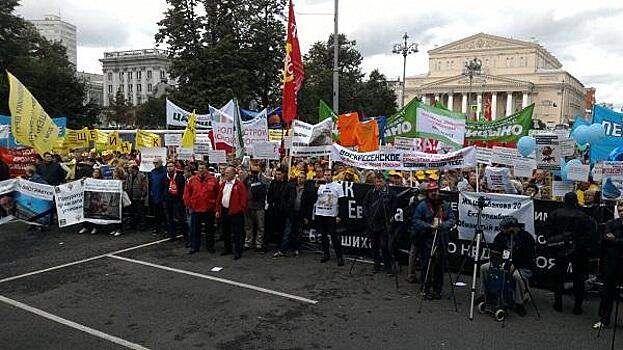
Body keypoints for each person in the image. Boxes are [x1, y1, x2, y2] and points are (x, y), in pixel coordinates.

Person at [546, 192, 594, 315]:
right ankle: (577, 307)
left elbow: (548, 233)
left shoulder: (554, 214)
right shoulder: (583, 216)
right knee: (579, 278)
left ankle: (558, 304)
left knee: (558, 277)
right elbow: (589, 235)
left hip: (559, 248)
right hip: (578, 250)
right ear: (576, 201)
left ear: (564, 200)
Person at [480, 216, 536, 316]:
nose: (504, 231)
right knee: (484, 268)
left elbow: (529, 256)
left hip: (521, 266)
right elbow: (495, 250)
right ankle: (484, 295)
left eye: (506, 228)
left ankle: (519, 303)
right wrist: (497, 261)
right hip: (502, 262)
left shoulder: (527, 238)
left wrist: (516, 264)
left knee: (517, 276)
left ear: (513, 228)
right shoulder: (501, 236)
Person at [412, 182, 455, 299]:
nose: (434, 193)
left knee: (440, 266)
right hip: (427, 239)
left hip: (441, 239)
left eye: (435, 190)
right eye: (431, 191)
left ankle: (437, 289)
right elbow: (416, 221)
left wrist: (443, 225)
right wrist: (428, 226)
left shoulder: (444, 205)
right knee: (426, 264)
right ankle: (425, 288)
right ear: (427, 193)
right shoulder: (422, 206)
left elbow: (452, 219)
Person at [593, 202, 623, 329]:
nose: (622, 212)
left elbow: (612, 240)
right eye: (620, 210)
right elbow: (606, 238)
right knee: (607, 293)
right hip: (611, 263)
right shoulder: (611, 223)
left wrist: (615, 240)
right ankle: (604, 319)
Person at [362, 173, 397, 274]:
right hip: (372, 222)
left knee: (384, 245)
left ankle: (387, 266)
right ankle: (376, 265)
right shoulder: (370, 192)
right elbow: (365, 204)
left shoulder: (390, 193)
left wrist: (390, 216)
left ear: (384, 181)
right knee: (374, 245)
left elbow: (394, 207)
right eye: (377, 181)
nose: (378, 183)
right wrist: (367, 216)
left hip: (384, 224)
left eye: (380, 181)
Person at [183, 163, 219, 254]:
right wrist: (189, 205)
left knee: (209, 230)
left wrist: (216, 207)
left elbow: (217, 194)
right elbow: (187, 193)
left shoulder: (213, 180)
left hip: (209, 209)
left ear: (206, 169)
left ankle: (210, 246)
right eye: (199, 168)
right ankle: (195, 247)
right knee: (195, 230)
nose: (201, 170)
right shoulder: (192, 180)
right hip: (196, 209)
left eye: (203, 168)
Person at [314, 168, 345, 266]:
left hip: (332, 215)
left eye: (328, 175)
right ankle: (326, 254)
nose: (327, 177)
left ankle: (339, 257)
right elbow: (316, 198)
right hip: (321, 214)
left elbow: (342, 202)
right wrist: (315, 188)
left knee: (334, 237)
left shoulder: (338, 186)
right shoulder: (321, 186)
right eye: (325, 175)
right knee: (323, 236)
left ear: (332, 176)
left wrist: (340, 215)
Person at [216, 166, 248, 260]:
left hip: (236, 212)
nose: (225, 174)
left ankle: (238, 251)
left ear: (234, 174)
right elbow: (219, 197)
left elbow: (243, 199)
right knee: (226, 231)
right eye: (225, 173)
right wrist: (218, 210)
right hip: (225, 211)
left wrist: (240, 209)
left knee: (237, 233)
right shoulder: (223, 184)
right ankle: (227, 248)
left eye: (228, 173)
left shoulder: (239, 185)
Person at [274, 172, 307, 257]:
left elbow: (308, 203)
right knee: (287, 232)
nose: (300, 179)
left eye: (302, 177)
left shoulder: (307, 189)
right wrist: (286, 209)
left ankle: (296, 249)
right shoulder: (291, 186)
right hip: (291, 213)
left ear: (305, 179)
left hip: (300, 214)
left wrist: (306, 216)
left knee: (298, 233)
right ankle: (282, 250)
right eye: (299, 177)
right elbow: (284, 197)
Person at [243, 162, 269, 251]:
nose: (254, 173)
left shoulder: (264, 179)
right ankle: (247, 243)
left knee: (260, 227)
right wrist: (246, 176)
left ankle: (259, 244)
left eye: (256, 171)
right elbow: (242, 186)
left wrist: (260, 177)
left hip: (259, 206)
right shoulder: (247, 179)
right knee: (248, 226)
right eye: (252, 171)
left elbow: (265, 189)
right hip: (249, 205)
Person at [266, 167, 293, 250]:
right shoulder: (273, 183)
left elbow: (289, 199)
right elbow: (269, 194)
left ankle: (279, 246)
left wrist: (285, 208)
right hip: (273, 209)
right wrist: (271, 202)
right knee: (270, 228)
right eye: (276, 174)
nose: (277, 176)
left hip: (282, 211)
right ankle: (267, 244)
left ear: (283, 174)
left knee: (281, 230)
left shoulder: (288, 185)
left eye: (279, 174)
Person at [162, 161, 186, 242]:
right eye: (168, 166)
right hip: (168, 200)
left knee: (180, 218)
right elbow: (163, 188)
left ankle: (185, 235)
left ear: (175, 167)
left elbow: (183, 189)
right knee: (169, 219)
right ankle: (173, 235)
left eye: (171, 166)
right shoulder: (165, 177)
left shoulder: (180, 177)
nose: (169, 168)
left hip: (178, 200)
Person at [125, 161, 147, 231]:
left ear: (134, 168)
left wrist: (143, 195)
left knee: (140, 212)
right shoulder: (129, 175)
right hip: (130, 196)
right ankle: (133, 225)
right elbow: (127, 184)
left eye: (129, 168)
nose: (128, 169)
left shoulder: (141, 175)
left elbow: (144, 187)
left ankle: (142, 226)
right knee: (132, 212)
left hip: (138, 197)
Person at [148, 157, 166, 234]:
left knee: (165, 213)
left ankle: (165, 227)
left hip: (163, 196)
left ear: (161, 163)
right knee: (157, 213)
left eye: (156, 163)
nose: (155, 164)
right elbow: (151, 183)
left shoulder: (165, 171)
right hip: (155, 195)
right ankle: (157, 227)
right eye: (154, 163)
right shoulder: (152, 172)